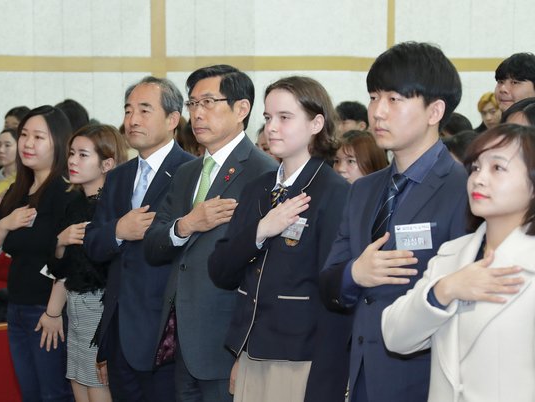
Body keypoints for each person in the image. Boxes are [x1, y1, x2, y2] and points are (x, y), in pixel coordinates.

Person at [319, 42, 468, 402]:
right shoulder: (364, 189)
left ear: (435, 111)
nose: (377, 113)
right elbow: (328, 281)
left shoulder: (463, 189)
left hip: (426, 380)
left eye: (394, 100)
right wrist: (356, 273)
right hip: (359, 373)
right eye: (373, 97)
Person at [207, 76, 350, 402]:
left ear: (316, 123)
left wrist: (331, 373)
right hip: (251, 349)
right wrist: (260, 230)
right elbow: (220, 270)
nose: (272, 128)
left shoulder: (334, 193)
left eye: (285, 118)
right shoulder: (258, 188)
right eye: (269, 118)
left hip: (300, 356)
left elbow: (335, 292)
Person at [144, 64, 277, 402]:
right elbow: (153, 244)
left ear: (241, 109)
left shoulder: (264, 172)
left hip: (227, 340)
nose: (197, 114)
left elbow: (265, 268)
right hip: (182, 338)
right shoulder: (187, 172)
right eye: (192, 104)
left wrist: (244, 349)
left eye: (208, 102)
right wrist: (186, 224)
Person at [382, 124, 535, 402]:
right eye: (475, 168)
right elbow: (395, 337)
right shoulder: (452, 255)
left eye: (497, 168)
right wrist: (444, 290)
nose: (479, 179)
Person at [83, 76, 194, 402]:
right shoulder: (118, 176)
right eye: (128, 110)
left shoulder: (191, 172)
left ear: (172, 119)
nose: (132, 120)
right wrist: (118, 230)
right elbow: (92, 243)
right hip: (119, 331)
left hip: (166, 333)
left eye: (144, 110)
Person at [0, 105, 76, 401]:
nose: (28, 143)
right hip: (17, 308)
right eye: (24, 135)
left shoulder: (66, 192)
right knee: (30, 392)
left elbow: (69, 260)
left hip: (48, 311)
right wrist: (7, 222)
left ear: (58, 142)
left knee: (54, 394)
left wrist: (53, 312)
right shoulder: (17, 190)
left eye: (38, 137)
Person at [37, 124, 127, 402]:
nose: (73, 161)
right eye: (72, 153)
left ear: (107, 163)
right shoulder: (73, 203)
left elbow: (105, 268)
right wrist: (61, 242)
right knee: (77, 381)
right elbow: (61, 269)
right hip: (74, 307)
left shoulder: (115, 207)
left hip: (100, 307)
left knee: (97, 386)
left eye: (83, 155)